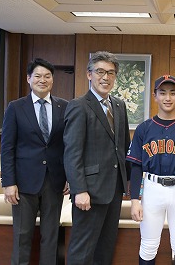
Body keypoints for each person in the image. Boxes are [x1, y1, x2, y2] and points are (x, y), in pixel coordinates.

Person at [127, 74, 175, 265]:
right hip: (152, 188)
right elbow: (136, 165)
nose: (167, 98)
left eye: (172, 93)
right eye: (162, 93)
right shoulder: (144, 128)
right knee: (148, 245)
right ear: (155, 96)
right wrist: (134, 200)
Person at [63, 51, 131, 265]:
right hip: (89, 193)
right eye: (100, 71)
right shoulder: (79, 106)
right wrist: (79, 189)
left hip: (114, 190)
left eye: (111, 73)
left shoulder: (119, 105)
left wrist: (128, 182)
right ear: (89, 74)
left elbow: (123, 147)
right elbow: (72, 152)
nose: (105, 77)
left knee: (105, 248)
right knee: (82, 249)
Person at [1, 58, 69, 264]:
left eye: (47, 76)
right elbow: (7, 147)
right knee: (22, 236)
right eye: (38, 76)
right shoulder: (16, 107)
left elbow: (68, 146)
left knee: (50, 236)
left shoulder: (64, 106)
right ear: (29, 79)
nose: (43, 80)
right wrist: (8, 183)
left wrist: (69, 177)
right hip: (23, 183)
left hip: (54, 182)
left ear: (52, 80)